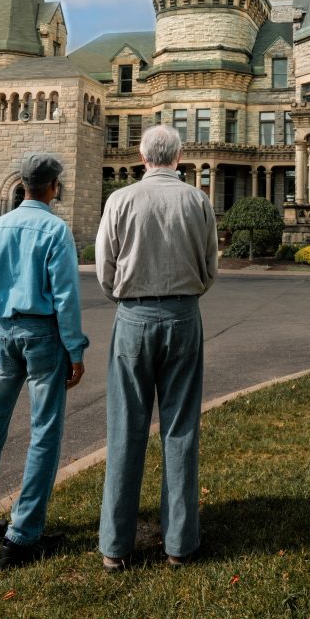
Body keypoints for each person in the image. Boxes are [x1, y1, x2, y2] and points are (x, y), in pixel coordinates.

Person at [95, 125, 218, 571]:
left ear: (142, 157)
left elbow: (105, 270)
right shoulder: (197, 201)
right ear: (179, 157)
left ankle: (115, 546)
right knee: (180, 427)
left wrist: (129, 299)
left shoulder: (121, 200)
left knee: (125, 428)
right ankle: (179, 544)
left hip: (133, 316)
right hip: (184, 315)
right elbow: (210, 266)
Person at [0, 152, 88, 570]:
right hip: (42, 336)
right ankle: (21, 536)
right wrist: (75, 348)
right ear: (54, 187)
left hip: (1, 333)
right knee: (44, 432)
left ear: (23, 186)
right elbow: (67, 297)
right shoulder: (55, 230)